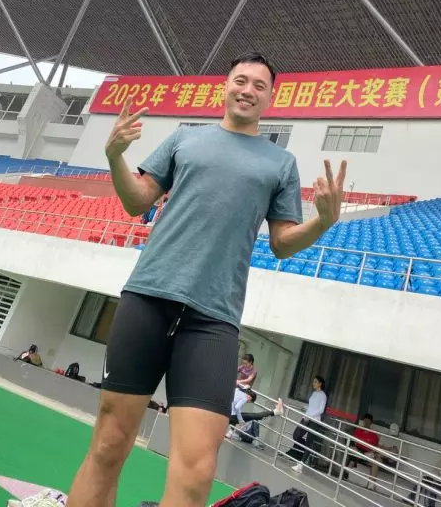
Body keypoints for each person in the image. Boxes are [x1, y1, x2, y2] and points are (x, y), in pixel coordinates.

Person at [66, 52, 347, 507]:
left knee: (197, 470)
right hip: (149, 296)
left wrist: (322, 222)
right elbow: (137, 201)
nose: (248, 90)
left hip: (213, 319)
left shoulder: (281, 163)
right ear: (226, 85)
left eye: (259, 85)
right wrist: (116, 156)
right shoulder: (185, 138)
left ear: (270, 98)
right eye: (241, 80)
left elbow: (281, 243)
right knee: (109, 443)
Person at [291, 375, 328, 473]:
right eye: (313, 381)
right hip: (306, 418)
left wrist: (310, 416)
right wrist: (306, 408)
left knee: (309, 441)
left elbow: (321, 410)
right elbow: (312, 406)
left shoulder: (323, 395)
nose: (313, 383)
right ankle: (306, 451)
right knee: (296, 435)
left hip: (314, 420)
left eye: (315, 382)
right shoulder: (314, 393)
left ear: (320, 384)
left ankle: (301, 464)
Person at [345, 413, 380, 487]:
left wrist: (370, 452)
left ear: (371, 422)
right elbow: (353, 442)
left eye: (368, 421)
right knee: (354, 451)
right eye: (365, 420)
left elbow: (375, 448)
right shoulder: (358, 431)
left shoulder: (374, 435)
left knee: (375, 459)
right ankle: (346, 473)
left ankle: (371, 484)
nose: (366, 422)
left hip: (367, 454)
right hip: (358, 451)